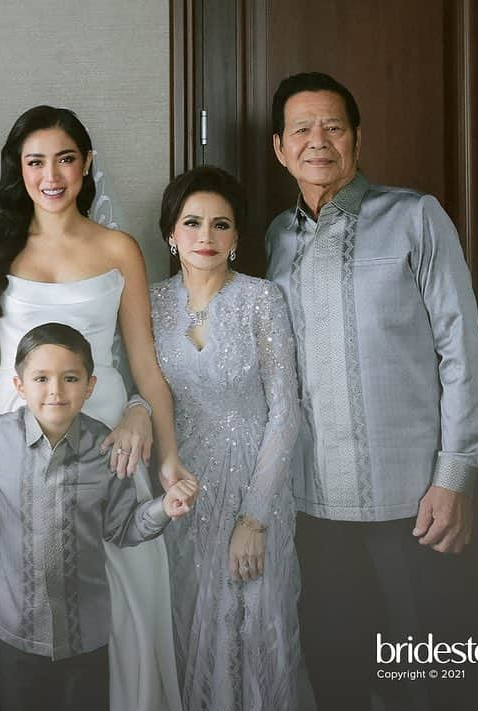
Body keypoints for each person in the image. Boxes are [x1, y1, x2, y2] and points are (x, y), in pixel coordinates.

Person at [0, 105, 190, 711]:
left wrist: (160, 442)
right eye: (36, 160)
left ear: (86, 164)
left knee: (116, 576)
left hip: (108, 436)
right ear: (18, 171)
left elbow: (146, 364)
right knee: (20, 583)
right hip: (14, 440)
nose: (52, 174)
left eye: (66, 158)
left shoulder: (119, 248)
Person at [265, 72, 478, 710]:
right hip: (313, 503)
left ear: (356, 139)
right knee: (335, 671)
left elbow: (461, 351)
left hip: (414, 501)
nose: (318, 142)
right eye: (301, 129)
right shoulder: (277, 238)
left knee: (427, 678)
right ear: (280, 148)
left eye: (333, 126)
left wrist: (456, 475)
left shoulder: (416, 216)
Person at [0, 323, 197, 711]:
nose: (55, 390)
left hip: (85, 634)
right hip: (14, 628)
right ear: (20, 385)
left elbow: (122, 528)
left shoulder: (105, 448)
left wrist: (164, 507)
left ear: (89, 387)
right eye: (41, 378)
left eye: (70, 378)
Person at [151, 165, 302, 710]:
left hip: (252, 483)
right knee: (190, 622)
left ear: (237, 237)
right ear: (171, 233)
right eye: (192, 223)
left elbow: (286, 412)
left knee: (255, 623)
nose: (206, 237)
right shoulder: (149, 303)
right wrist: (131, 413)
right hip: (182, 484)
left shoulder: (262, 300)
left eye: (221, 225)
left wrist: (254, 518)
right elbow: (146, 390)